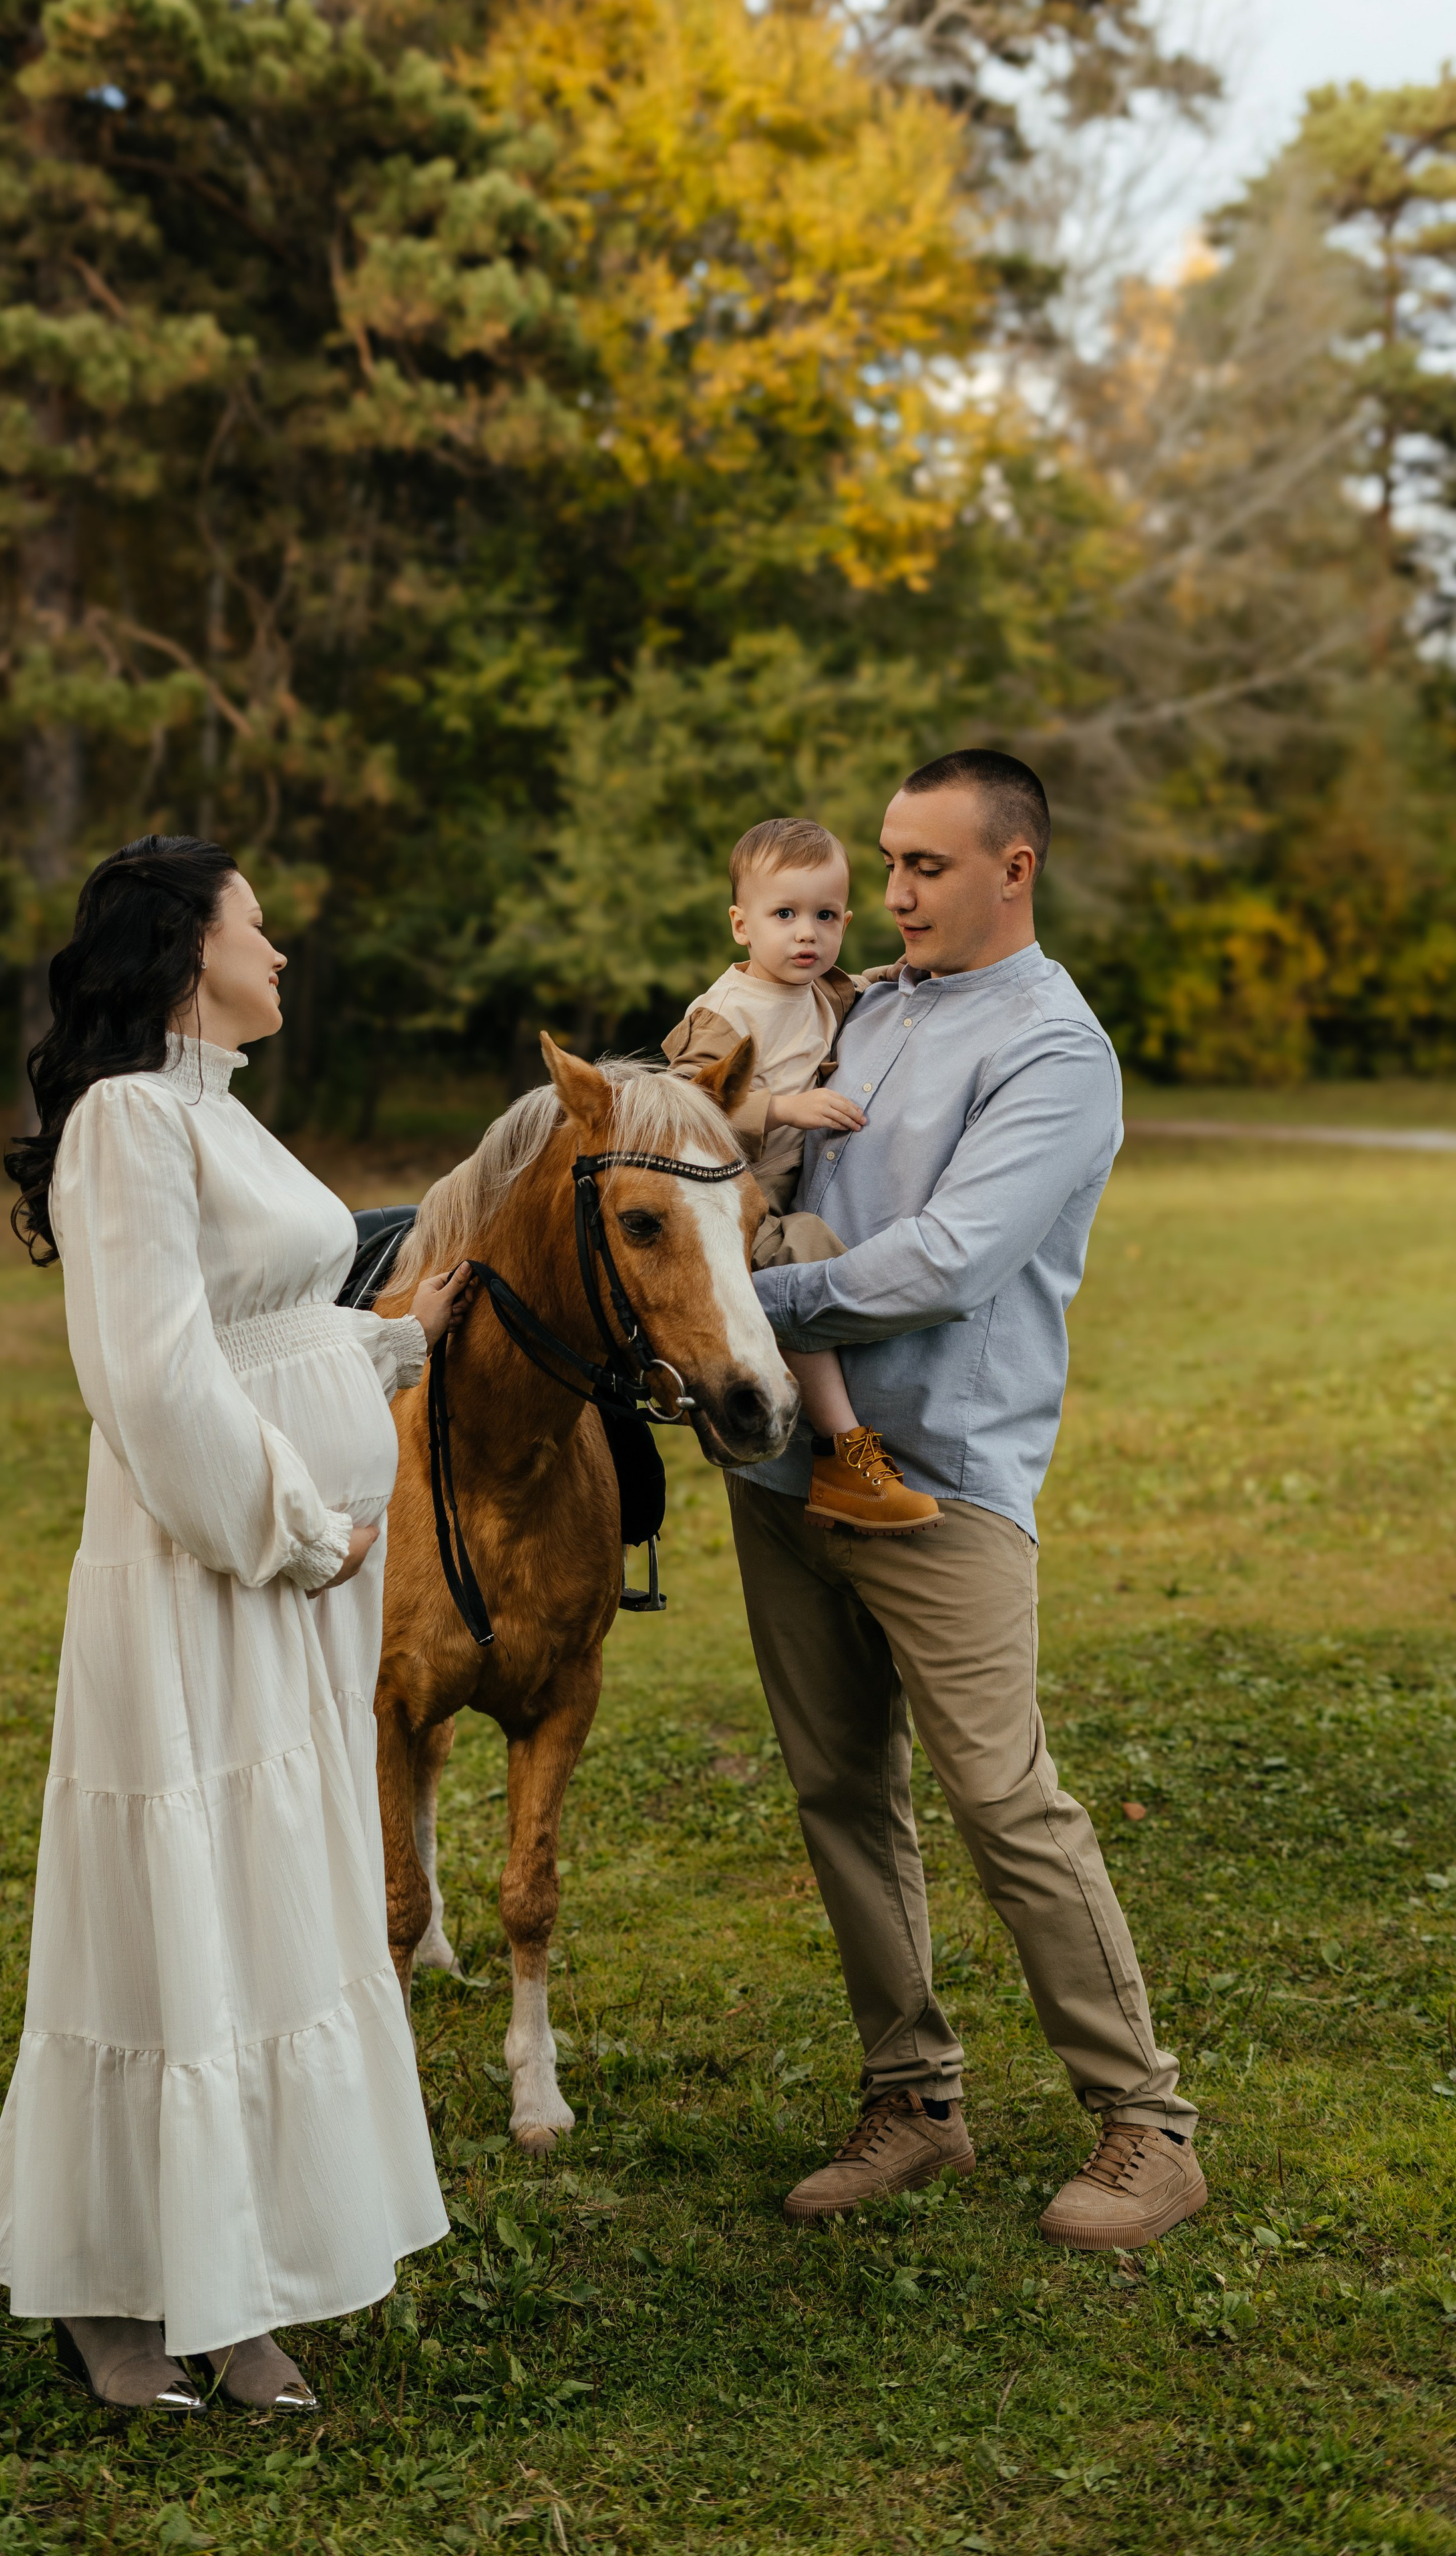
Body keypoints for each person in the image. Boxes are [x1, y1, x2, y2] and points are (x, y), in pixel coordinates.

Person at [0, 836, 472, 2412]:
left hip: (287, 1597)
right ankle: (116, 2292)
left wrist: (386, 1348)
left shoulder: (211, 1114)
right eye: (259, 927)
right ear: (191, 951)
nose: (281, 953)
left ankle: (236, 2275)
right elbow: (152, 1377)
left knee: (261, 1914)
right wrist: (299, 1524)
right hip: (207, 1573)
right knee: (169, 1912)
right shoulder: (126, 1119)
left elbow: (250, 1329)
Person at [729, 751, 1204, 2250]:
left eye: (926, 865)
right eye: (885, 862)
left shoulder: (1056, 1052)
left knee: (1004, 1801)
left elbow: (943, 1261)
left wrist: (757, 1304)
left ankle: (1146, 2127)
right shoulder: (862, 1005)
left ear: (1016, 868)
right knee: (838, 1790)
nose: (893, 893)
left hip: (939, 1481)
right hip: (787, 1465)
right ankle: (914, 2101)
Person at [661, 818, 940, 1537]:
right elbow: (677, 1113)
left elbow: (873, 988)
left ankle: (833, 1420)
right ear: (740, 926)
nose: (805, 934)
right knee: (807, 1254)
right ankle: (844, 1451)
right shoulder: (724, 1014)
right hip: (722, 1198)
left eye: (824, 916)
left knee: (829, 1258)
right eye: (783, 915)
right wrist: (782, 1105)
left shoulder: (824, 991)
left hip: (772, 1192)